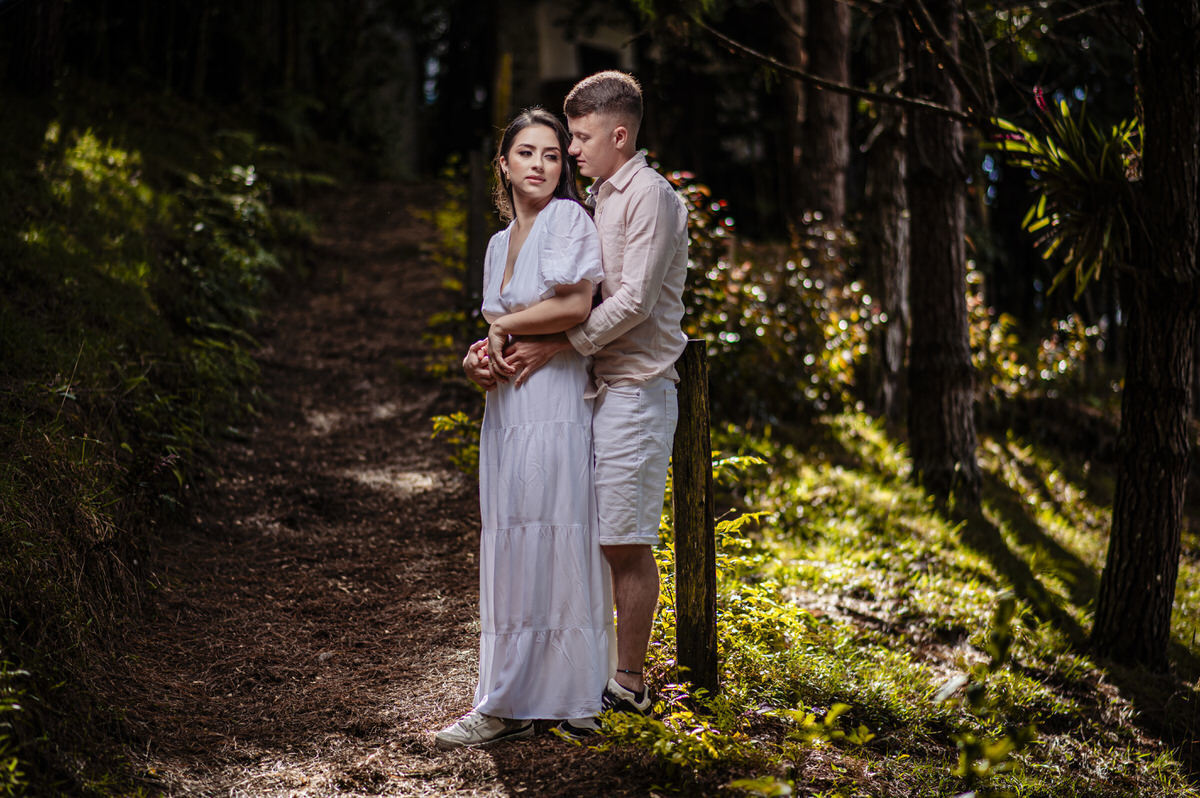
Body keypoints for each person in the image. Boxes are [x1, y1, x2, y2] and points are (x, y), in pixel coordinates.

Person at [468, 71, 689, 729]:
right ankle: (579, 678)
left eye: (579, 139)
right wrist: (493, 346)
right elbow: (541, 303)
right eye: (561, 142)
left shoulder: (649, 196)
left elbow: (629, 302)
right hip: (599, 388)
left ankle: (626, 684)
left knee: (622, 538)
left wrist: (560, 345)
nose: (570, 152)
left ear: (618, 135)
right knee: (593, 536)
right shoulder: (601, 199)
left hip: (637, 387)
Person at [435, 107, 614, 750]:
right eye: (527, 153)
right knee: (513, 540)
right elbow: (500, 322)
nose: (540, 165)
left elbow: (574, 305)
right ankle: (507, 697)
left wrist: (505, 330)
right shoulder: (496, 242)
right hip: (509, 410)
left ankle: (572, 695)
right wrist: (478, 359)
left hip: (558, 405)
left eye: (552, 155)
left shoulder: (569, 219)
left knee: (560, 530)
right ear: (503, 165)